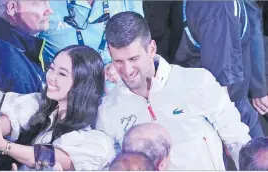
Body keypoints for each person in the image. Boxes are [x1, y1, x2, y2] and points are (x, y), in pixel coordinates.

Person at [95, 11, 251, 170]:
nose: (127, 70)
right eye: (118, 61)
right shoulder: (108, 109)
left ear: (151, 49)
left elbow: (238, 140)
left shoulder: (198, 82)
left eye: (133, 59)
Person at [0, 45, 115, 170]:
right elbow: (12, 118)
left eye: (62, 74)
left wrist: (3, 145)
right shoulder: (41, 103)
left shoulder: (96, 138)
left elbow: (52, 157)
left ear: (82, 85)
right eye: (52, 68)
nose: (51, 77)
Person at [174, 0, 265, 138]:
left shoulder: (219, 9)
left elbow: (252, 26)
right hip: (220, 108)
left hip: (226, 104)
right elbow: (220, 84)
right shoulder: (218, 8)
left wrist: (258, 87)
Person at [39, 0, 144, 93]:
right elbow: (25, 55)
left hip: (120, 94)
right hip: (67, 99)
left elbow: (140, 43)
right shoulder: (43, 5)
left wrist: (122, 66)